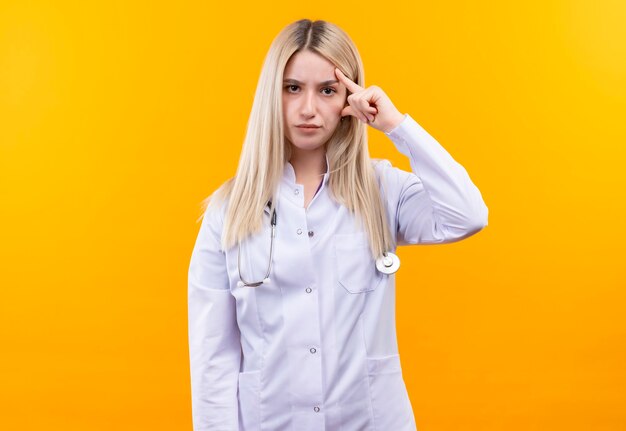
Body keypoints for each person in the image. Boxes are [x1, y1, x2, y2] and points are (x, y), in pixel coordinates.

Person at [187, 18, 488, 431]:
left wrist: (396, 126)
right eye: (292, 88)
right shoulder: (229, 211)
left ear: (349, 97)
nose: (308, 108)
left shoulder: (382, 190)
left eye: (327, 90)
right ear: (270, 94)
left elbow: (468, 215)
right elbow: (212, 355)